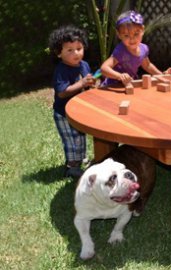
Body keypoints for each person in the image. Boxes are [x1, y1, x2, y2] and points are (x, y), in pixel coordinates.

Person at [48, 25, 95, 178]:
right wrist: (81, 84)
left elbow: (88, 83)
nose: (76, 53)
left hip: (78, 111)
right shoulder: (61, 70)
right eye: (69, 50)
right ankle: (71, 167)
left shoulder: (84, 65)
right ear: (58, 53)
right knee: (71, 139)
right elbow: (62, 93)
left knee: (80, 135)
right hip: (63, 113)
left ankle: (80, 159)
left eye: (79, 48)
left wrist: (92, 83)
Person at [101, 10, 171, 86]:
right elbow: (104, 68)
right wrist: (119, 76)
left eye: (136, 34)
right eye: (126, 35)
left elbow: (147, 66)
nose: (132, 39)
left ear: (142, 30)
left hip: (131, 84)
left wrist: (161, 75)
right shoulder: (120, 50)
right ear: (119, 35)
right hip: (114, 85)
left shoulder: (144, 49)